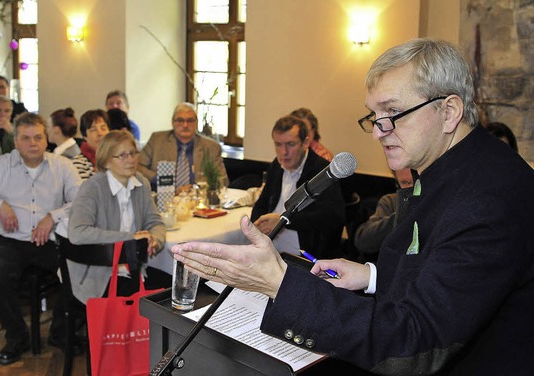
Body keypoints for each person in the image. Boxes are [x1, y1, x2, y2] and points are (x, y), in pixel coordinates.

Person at [171, 39, 534, 375]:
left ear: (450, 111)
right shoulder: (449, 167)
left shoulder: (488, 197)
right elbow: (439, 269)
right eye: (374, 115)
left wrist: (279, 283)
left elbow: (416, 343)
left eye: (392, 111)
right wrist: (373, 277)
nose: (378, 130)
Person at [0, 112, 82, 365]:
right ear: (16, 141)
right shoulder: (0, 165)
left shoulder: (62, 166)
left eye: (38, 137)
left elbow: (83, 200)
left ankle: (60, 333)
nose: (32, 143)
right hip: (12, 240)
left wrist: (53, 216)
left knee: (80, 275)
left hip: (51, 240)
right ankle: (17, 337)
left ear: (46, 139)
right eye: (25, 138)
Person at [68, 130, 166, 303]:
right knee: (154, 303)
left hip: (133, 267)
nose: (130, 159)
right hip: (98, 273)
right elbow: (77, 232)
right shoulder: (92, 187)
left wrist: (156, 239)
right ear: (106, 161)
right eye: (122, 155)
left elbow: (155, 221)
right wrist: (132, 238)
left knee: (173, 288)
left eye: (133, 153)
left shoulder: (141, 182)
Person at [251, 115, 345, 258]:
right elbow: (261, 205)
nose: (284, 152)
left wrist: (283, 221)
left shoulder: (322, 171)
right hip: (271, 250)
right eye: (278, 144)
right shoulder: (277, 165)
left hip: (304, 256)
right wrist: (256, 225)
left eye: (291, 144)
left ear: (306, 142)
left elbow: (332, 218)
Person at [138, 102, 228, 190]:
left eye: (190, 121)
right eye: (180, 120)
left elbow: (222, 180)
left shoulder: (211, 147)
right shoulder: (157, 140)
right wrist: (158, 179)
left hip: (197, 200)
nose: (185, 125)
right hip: (163, 198)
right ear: (173, 122)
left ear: (196, 123)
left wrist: (195, 189)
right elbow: (138, 165)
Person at [353, 168, 413, 262]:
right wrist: (403, 213)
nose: (412, 188)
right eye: (406, 183)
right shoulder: (391, 201)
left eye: (417, 181)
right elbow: (363, 241)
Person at [71, 109, 109, 180]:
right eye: (93, 130)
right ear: (84, 136)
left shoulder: (118, 158)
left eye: (103, 128)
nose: (100, 133)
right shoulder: (79, 162)